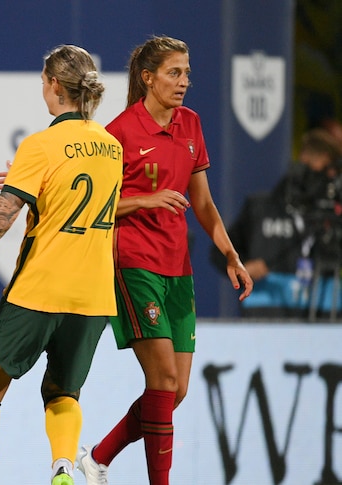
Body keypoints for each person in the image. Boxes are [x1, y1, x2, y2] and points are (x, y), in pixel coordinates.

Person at [0, 45, 122, 485]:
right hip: (94, 295)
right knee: (63, 391)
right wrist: (26, 175)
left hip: (41, 286)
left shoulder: (41, 144)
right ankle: (63, 465)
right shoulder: (111, 147)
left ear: (54, 84)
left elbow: (0, 219)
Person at [74, 36, 253, 485]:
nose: (185, 82)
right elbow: (98, 206)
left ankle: (97, 459)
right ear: (148, 78)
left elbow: (204, 204)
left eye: (188, 72)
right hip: (134, 263)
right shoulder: (118, 133)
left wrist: (231, 254)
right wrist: (146, 199)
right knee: (164, 380)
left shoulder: (190, 125)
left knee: (176, 390)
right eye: (175, 72)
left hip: (179, 268)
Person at [210, 128, 342, 319]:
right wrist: (244, 267)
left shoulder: (333, 216)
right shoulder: (259, 208)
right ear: (307, 163)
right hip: (266, 319)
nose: (331, 179)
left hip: (325, 317)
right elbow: (219, 253)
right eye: (329, 170)